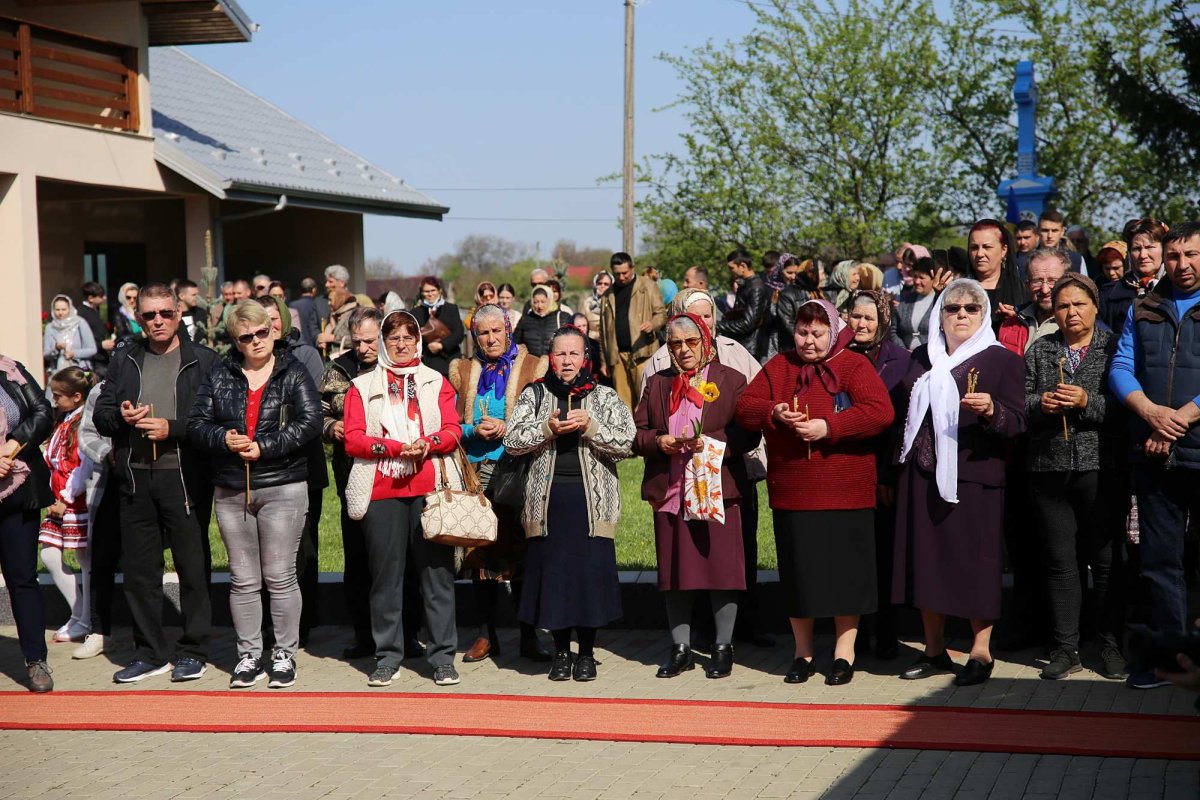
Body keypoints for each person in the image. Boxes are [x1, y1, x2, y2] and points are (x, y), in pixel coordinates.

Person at [736, 299, 893, 686]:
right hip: (794, 492)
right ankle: (802, 652)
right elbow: (744, 406)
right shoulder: (780, 366)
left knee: (845, 575)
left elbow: (880, 411)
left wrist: (829, 428)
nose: (809, 341)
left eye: (818, 333)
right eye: (803, 332)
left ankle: (844, 652)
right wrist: (773, 412)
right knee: (800, 575)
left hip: (846, 491)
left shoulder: (853, 365)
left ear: (834, 332)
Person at [892, 279, 1027, 687]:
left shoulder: (1001, 360)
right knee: (927, 564)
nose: (962, 314)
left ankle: (981, 651)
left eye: (972, 308)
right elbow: (903, 419)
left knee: (976, 566)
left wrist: (992, 412)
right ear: (940, 315)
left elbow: (1019, 422)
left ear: (984, 315)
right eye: (953, 308)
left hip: (974, 478)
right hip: (921, 474)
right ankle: (934, 651)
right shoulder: (921, 358)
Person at [189, 300, 320, 689]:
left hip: (283, 485)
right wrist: (223, 437)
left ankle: (284, 654)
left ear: (273, 331)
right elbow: (197, 424)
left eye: (262, 332)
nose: (256, 341)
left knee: (279, 576)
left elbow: (311, 421)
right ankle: (248, 655)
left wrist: (266, 446)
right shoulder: (219, 373)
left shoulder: (292, 371)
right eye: (247, 336)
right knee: (243, 579)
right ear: (236, 341)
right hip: (231, 487)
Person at [94, 283, 218, 684]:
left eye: (165, 313)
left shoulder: (203, 360)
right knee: (139, 573)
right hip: (134, 479)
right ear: (139, 316)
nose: (158, 321)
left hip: (184, 480)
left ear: (179, 312)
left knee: (192, 570)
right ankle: (149, 652)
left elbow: (215, 423)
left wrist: (173, 428)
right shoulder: (125, 357)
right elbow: (102, 414)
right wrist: (122, 418)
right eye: (149, 315)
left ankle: (194, 649)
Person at [503, 326, 635, 681]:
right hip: (546, 504)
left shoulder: (605, 396)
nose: (566, 361)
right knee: (555, 579)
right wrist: (545, 428)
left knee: (588, 578)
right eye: (560, 353)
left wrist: (591, 426)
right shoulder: (534, 394)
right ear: (550, 358)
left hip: (592, 502)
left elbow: (626, 442)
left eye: (574, 353)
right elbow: (512, 440)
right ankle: (561, 653)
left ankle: (587, 654)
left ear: (585, 358)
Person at [639, 288, 770, 646]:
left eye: (691, 341)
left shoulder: (731, 378)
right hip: (672, 488)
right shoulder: (657, 382)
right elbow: (637, 434)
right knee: (675, 571)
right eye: (676, 343)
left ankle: (723, 647)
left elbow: (749, 432)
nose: (683, 349)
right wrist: (659, 442)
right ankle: (680, 647)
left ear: (705, 340)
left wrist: (711, 445)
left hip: (718, 488)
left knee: (722, 569)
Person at [343, 310, 463, 688]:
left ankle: (443, 657)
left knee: (437, 576)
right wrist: (394, 448)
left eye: (408, 337)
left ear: (418, 341)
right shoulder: (362, 386)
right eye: (393, 337)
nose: (400, 344)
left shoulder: (435, 381)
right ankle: (387, 657)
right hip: (382, 491)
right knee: (385, 578)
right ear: (383, 341)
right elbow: (353, 438)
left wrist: (427, 444)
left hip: (429, 488)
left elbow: (452, 429)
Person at [1109, 220, 1200, 690]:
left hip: (1191, 446)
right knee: (1160, 563)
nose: (1181, 265)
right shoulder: (1144, 306)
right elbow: (1122, 366)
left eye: (1191, 255)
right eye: (1173, 256)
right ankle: (1173, 661)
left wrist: (1178, 418)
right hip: (1154, 453)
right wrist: (1149, 412)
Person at [1023, 273, 1128, 681]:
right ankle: (1066, 648)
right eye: (1063, 305)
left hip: (1101, 467)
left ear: (1095, 307)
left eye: (1079, 304)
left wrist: (1088, 402)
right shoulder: (1041, 350)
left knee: (1106, 562)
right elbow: (1023, 400)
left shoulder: (1114, 347)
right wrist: (1041, 404)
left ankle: (1111, 646)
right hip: (1049, 468)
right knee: (1060, 562)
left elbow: (1126, 409)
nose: (1071, 312)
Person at [449, 304, 553, 664]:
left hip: (519, 469)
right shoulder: (462, 371)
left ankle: (528, 634)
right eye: (483, 333)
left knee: (521, 551)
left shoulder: (533, 366)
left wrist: (510, 428)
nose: (491, 339)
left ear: (508, 330)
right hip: (475, 473)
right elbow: (449, 423)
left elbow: (545, 414)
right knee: (480, 554)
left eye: (497, 331)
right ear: (474, 336)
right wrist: (472, 429)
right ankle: (485, 634)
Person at [321, 307, 424, 660]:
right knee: (360, 561)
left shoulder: (399, 368)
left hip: (398, 479)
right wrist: (330, 428)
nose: (363, 348)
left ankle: (408, 635)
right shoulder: (339, 370)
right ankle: (365, 636)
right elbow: (317, 413)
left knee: (405, 561)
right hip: (353, 478)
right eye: (357, 341)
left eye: (370, 340)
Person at [846, 290, 916, 660]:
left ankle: (886, 633)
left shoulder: (900, 361)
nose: (861, 324)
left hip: (885, 473)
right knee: (851, 557)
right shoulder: (836, 358)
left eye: (869, 318)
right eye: (855, 316)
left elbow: (903, 424)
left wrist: (888, 475)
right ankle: (851, 637)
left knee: (884, 556)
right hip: (844, 474)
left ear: (884, 321)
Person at [258, 295, 327, 645]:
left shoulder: (306, 356)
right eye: (261, 319)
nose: (268, 326)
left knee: (302, 549)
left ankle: (302, 626)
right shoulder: (247, 358)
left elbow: (310, 411)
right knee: (265, 551)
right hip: (260, 470)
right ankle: (268, 625)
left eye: (273, 318)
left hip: (303, 466)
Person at [0, 353, 55, 691]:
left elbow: (43, 412)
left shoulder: (10, 369)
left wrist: (12, 446)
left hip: (19, 491)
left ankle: (36, 660)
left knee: (23, 579)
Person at [39, 367, 98, 644]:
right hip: (58, 500)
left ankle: (85, 619)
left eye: (58, 396)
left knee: (85, 560)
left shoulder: (85, 422)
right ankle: (78, 614)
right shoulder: (64, 420)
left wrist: (65, 498)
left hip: (75, 500)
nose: (54, 401)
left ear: (76, 397)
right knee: (50, 555)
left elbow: (83, 465)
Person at [73, 378, 117, 660]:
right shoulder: (102, 389)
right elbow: (86, 434)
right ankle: (99, 632)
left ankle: (150, 637)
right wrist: (107, 453)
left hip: (159, 480)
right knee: (101, 559)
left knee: (147, 563)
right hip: (110, 480)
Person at [600, 252, 667, 407]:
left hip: (643, 353)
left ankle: (646, 432)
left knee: (646, 401)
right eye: (617, 274)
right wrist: (604, 361)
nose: (622, 277)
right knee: (623, 406)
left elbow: (661, 314)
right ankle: (627, 432)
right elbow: (603, 331)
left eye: (625, 273)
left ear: (632, 268)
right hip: (617, 358)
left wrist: (653, 324)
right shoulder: (607, 295)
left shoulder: (648, 286)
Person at [1099, 217, 1167, 336]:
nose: (1143, 255)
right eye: (1136, 248)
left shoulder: (1180, 289)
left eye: (1150, 247)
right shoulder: (1109, 295)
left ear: (1164, 249)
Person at [997, 248, 1069, 355]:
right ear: (1027, 285)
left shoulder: (1075, 326)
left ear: (1067, 283)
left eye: (1052, 281)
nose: (1045, 290)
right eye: (1037, 281)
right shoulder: (1011, 325)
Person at [967, 219, 1026, 328]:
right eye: (974, 248)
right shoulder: (959, 289)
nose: (980, 254)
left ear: (1004, 250)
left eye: (987, 247)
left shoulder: (1020, 289)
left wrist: (1016, 319)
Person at [716, 248, 770, 362]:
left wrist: (718, 325)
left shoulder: (756, 288)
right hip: (742, 345)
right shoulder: (747, 285)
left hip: (750, 349)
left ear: (743, 266)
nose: (730, 271)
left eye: (732, 268)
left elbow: (747, 323)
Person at [412, 276, 464, 378]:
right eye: (426, 291)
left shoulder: (451, 309)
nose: (430, 294)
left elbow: (459, 333)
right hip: (428, 362)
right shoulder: (416, 312)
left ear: (439, 291)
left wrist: (442, 345)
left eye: (433, 290)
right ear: (422, 293)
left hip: (450, 360)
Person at [773, 258, 827, 353]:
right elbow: (787, 323)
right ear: (811, 274)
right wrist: (808, 337)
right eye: (821, 274)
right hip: (795, 348)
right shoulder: (788, 294)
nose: (823, 278)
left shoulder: (818, 292)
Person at [43, 295, 97, 382]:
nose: (60, 313)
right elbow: (46, 354)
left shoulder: (80, 323)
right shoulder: (50, 327)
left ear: (70, 309)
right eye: (57, 310)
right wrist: (56, 348)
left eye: (64, 309)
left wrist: (74, 353)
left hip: (79, 372)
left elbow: (92, 349)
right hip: (57, 374)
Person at [893, 258, 939, 350]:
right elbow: (893, 331)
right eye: (915, 276)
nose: (917, 281)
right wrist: (903, 351)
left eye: (922, 278)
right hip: (906, 358)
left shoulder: (939, 301)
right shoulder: (906, 301)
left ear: (933, 279)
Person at [514, 285, 572, 358]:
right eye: (536, 302)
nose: (539, 306)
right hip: (533, 365)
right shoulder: (525, 319)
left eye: (543, 302)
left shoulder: (563, 317)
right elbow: (515, 342)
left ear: (550, 300)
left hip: (555, 364)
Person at [78, 282, 113, 378]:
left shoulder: (94, 310)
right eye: (101, 296)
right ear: (90, 298)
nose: (104, 298)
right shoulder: (81, 313)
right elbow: (81, 338)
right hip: (91, 361)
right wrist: (100, 345)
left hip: (100, 358)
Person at [320, 288, 360, 360]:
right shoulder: (333, 314)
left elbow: (359, 338)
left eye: (330, 300)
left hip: (348, 359)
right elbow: (326, 333)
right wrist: (321, 341)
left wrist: (333, 338)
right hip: (332, 358)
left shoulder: (354, 314)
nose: (328, 303)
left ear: (340, 299)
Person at [584, 271, 614, 341]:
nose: (602, 286)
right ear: (595, 285)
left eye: (606, 284)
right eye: (599, 283)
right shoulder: (587, 303)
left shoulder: (616, 302)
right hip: (592, 342)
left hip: (611, 341)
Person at [176, 280, 207, 345]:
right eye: (194, 295)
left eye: (197, 294)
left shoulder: (201, 313)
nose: (197, 297)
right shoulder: (174, 315)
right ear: (181, 296)